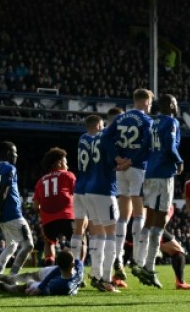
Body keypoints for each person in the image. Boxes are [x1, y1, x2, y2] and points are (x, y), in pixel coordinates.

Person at [132, 94, 183, 289]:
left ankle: (138, 261)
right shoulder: (171, 121)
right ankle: (149, 268)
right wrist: (179, 160)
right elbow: (170, 145)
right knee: (159, 222)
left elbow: (144, 146)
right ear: (171, 105)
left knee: (149, 220)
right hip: (163, 175)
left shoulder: (152, 123)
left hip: (149, 174)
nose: (177, 106)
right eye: (176, 103)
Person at [111, 90, 153, 283]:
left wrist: (118, 158)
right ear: (145, 102)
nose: (150, 106)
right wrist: (130, 161)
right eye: (150, 102)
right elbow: (147, 146)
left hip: (120, 169)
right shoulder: (146, 121)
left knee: (122, 216)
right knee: (139, 214)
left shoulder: (120, 118)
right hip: (137, 168)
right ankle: (137, 258)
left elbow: (108, 140)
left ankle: (118, 256)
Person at [84, 112, 124, 292]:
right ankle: (107, 280)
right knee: (111, 236)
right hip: (104, 190)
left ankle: (96, 274)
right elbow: (113, 163)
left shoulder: (95, 137)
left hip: (91, 189)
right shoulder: (111, 137)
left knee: (99, 236)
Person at [0, 141, 34, 281]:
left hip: (3, 216)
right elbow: (5, 189)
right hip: (12, 213)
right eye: (14, 153)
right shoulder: (10, 168)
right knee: (28, 245)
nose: (16, 156)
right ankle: (13, 276)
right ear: (8, 153)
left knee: (11, 246)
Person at [70, 115, 103, 270]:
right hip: (91, 187)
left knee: (78, 229)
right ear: (97, 125)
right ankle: (96, 270)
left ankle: (74, 265)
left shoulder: (82, 139)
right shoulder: (95, 141)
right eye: (101, 126)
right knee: (95, 229)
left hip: (79, 187)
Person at [33, 148, 76, 267]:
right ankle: (78, 268)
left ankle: (49, 267)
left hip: (48, 220)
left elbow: (35, 205)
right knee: (79, 241)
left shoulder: (40, 181)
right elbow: (78, 195)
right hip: (67, 216)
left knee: (49, 242)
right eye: (65, 163)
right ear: (59, 163)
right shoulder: (68, 175)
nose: (67, 166)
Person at [0, 249, 84, 296]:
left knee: (27, 284)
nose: (75, 261)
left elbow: (46, 289)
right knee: (30, 275)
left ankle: (1, 285)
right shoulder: (78, 268)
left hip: (51, 282)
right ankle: (6, 278)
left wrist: (36, 290)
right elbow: (55, 274)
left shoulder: (59, 285)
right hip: (51, 276)